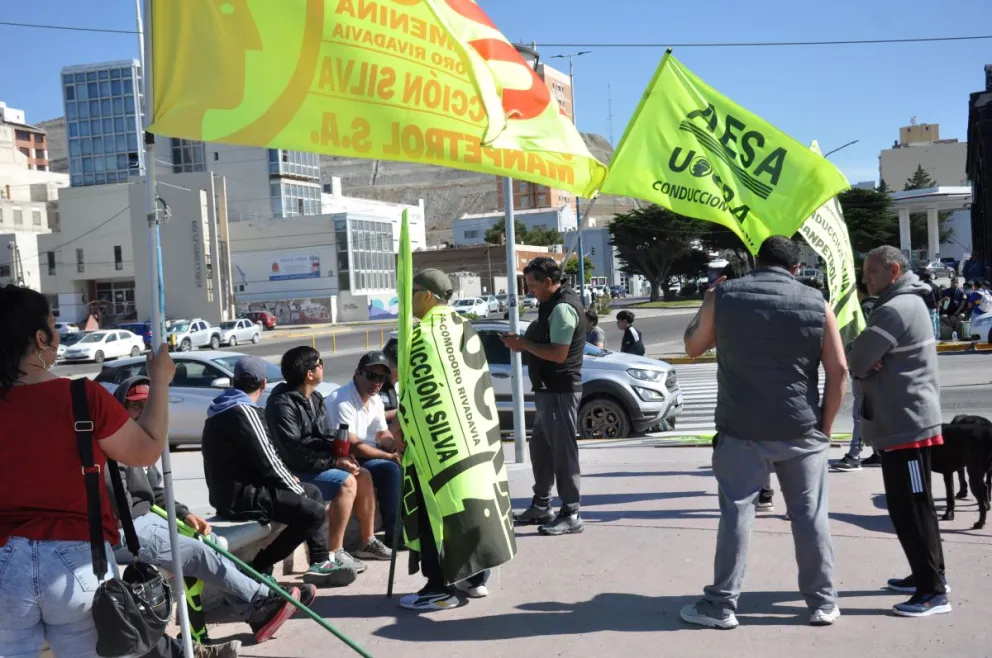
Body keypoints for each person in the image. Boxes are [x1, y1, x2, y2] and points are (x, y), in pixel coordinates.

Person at [680, 236, 847, 630]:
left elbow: (692, 347)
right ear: (794, 269)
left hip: (741, 428)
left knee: (737, 514)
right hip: (801, 428)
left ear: (756, 263)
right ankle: (822, 603)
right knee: (809, 517)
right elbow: (838, 370)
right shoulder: (816, 302)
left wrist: (707, 301)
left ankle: (721, 605)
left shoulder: (725, 297)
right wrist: (823, 428)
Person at [0, 285, 173, 658]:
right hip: (78, 561)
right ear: (41, 338)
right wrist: (159, 381)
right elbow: (145, 452)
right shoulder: (82, 397)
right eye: (53, 326)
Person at [109, 377, 310, 648]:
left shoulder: (143, 444)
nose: (143, 413)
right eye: (136, 406)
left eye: (149, 406)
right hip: (126, 529)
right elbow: (122, 504)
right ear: (121, 407)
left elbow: (156, 493)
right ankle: (263, 599)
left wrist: (184, 515)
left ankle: (249, 616)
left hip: (147, 519)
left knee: (210, 542)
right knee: (195, 552)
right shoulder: (116, 447)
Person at [397, 269, 512, 610]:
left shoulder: (423, 336)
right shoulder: (464, 327)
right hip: (474, 441)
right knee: (473, 505)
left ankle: (437, 589)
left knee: (437, 513)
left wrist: (400, 429)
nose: (407, 300)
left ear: (428, 296)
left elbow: (416, 396)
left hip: (438, 448)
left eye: (412, 292)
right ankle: (476, 579)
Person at [848, 246, 950, 617]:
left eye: (871, 271)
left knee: (911, 508)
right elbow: (862, 357)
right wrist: (864, 355)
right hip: (905, 421)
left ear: (893, 270)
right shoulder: (905, 303)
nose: (865, 278)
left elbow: (857, 360)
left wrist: (864, 357)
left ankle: (933, 591)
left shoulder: (894, 309)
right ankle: (929, 574)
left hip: (906, 424)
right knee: (913, 506)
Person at [201, 356, 344, 586]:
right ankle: (260, 565)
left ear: (235, 382)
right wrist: (294, 486)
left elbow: (261, 460)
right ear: (263, 383)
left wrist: (294, 484)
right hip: (241, 498)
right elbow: (269, 461)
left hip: (233, 493)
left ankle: (319, 560)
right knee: (314, 511)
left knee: (313, 493)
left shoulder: (221, 409)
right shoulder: (243, 412)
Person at [265, 346, 384, 573]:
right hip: (293, 472)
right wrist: (335, 463)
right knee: (347, 482)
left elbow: (323, 438)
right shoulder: (282, 404)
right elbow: (296, 453)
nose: (323, 367)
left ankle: (367, 541)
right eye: (319, 363)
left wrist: (342, 454)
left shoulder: (315, 398)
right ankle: (333, 553)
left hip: (313, 463)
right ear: (310, 374)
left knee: (363, 474)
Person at [505, 257, 586, 536]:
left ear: (549, 282)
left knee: (563, 454)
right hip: (546, 391)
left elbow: (559, 354)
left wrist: (524, 344)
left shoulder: (563, 309)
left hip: (560, 391)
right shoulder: (550, 305)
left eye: (532, 285)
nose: (530, 291)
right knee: (540, 450)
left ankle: (571, 513)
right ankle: (542, 504)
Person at [325, 351, 401, 557]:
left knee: (408, 465)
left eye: (382, 378)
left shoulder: (375, 400)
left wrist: (393, 447)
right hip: (342, 456)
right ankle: (396, 535)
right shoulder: (341, 400)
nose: (376, 383)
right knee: (390, 470)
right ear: (357, 373)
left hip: (366, 454)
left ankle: (412, 527)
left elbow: (381, 432)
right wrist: (389, 456)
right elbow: (353, 445)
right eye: (371, 375)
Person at [832, 284, 881, 471]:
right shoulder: (886, 305)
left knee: (860, 414)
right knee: (871, 414)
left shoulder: (866, 307)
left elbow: (864, 338)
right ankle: (878, 452)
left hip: (865, 370)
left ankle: (854, 455)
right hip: (876, 371)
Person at [920, 271, 941, 340]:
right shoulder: (935, 286)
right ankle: (934, 338)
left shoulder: (921, 286)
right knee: (933, 323)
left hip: (923, 308)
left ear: (924, 277)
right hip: (932, 307)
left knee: (923, 324)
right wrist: (938, 307)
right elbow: (938, 299)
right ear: (930, 277)